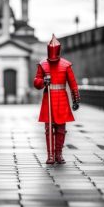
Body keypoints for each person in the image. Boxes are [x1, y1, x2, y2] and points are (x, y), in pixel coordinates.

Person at [34, 34, 80, 164]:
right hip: (48, 97)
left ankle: (58, 154)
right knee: (49, 129)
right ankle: (50, 155)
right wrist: (43, 81)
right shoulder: (42, 64)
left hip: (61, 98)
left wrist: (76, 99)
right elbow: (36, 82)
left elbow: (73, 83)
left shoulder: (66, 65)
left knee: (60, 129)